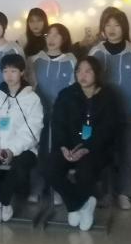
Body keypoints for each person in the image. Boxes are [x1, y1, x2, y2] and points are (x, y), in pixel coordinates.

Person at [45, 56, 120, 231]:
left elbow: (108, 129)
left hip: (97, 149)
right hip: (68, 147)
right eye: (79, 71)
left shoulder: (108, 96)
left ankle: (78, 205)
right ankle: (79, 204)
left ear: (97, 73)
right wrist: (64, 147)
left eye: (88, 71)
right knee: (49, 168)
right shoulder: (67, 94)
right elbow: (58, 124)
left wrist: (86, 148)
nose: (82, 75)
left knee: (85, 170)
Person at [88, 8, 131, 210]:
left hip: (127, 115)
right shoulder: (96, 52)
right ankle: (105, 194)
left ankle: (124, 193)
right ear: (103, 28)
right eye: (108, 25)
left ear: (124, 28)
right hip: (101, 116)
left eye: (117, 25)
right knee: (104, 155)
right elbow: (87, 83)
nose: (112, 29)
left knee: (125, 155)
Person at [0, 53, 43, 224]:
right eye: (5, 71)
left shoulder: (32, 98)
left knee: (20, 168)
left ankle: (5, 200)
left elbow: (32, 129)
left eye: (13, 71)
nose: (9, 75)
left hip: (23, 148)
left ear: (22, 72)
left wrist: (12, 149)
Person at [30, 24, 77, 167]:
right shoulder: (34, 60)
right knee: (40, 147)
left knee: (59, 148)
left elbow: (74, 88)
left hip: (62, 114)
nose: (51, 38)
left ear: (64, 38)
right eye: (48, 35)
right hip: (39, 112)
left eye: (56, 35)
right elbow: (31, 87)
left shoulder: (71, 61)